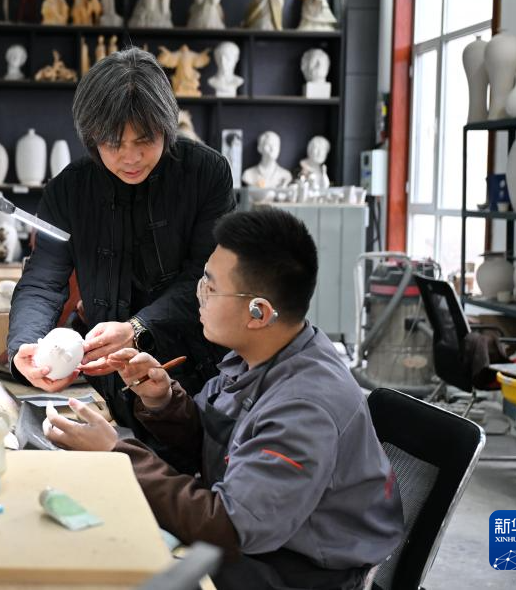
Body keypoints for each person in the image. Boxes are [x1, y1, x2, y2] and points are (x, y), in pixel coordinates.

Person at [45, 209, 404, 589]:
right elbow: (222, 441)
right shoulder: (265, 354)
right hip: (263, 539)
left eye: (211, 288)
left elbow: (229, 527)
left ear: (259, 312)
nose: (199, 295)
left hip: (298, 572)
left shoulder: (305, 408)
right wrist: (165, 401)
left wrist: (118, 455)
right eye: (203, 280)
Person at [7, 47, 235, 459]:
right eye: (113, 143)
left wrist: (137, 327)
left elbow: (205, 280)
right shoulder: (69, 190)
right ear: (92, 136)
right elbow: (42, 282)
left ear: (167, 127)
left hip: (193, 377)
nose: (130, 157)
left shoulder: (206, 174)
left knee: (183, 481)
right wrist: (24, 349)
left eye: (144, 140)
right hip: (105, 387)